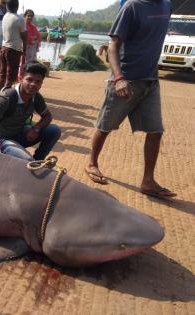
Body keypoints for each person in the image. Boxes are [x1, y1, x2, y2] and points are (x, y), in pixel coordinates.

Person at [86, 0, 176, 198]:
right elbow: (113, 46)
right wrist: (118, 78)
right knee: (105, 126)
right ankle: (92, 163)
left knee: (156, 131)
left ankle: (148, 181)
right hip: (125, 80)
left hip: (151, 81)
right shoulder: (132, 7)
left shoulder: (167, 6)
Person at [0, 62, 61, 161]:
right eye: (29, 79)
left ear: (41, 83)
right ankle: (31, 164)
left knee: (54, 130)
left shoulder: (36, 97)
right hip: (2, 139)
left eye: (38, 81)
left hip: (20, 134)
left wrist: (36, 128)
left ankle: (38, 161)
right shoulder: (7, 97)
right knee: (27, 160)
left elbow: (47, 116)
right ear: (20, 78)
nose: (33, 84)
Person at [0, 0, 27, 94]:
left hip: (4, 48)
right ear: (17, 6)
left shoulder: (5, 16)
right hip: (13, 50)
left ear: (7, 7)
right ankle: (6, 99)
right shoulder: (19, 19)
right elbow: (25, 36)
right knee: (10, 77)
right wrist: (24, 51)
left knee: (2, 75)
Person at [18, 9, 41, 80]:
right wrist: (31, 39)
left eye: (31, 16)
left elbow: (38, 36)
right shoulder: (22, 26)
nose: (30, 18)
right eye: (28, 16)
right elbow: (23, 36)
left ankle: (29, 76)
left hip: (32, 49)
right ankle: (21, 77)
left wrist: (34, 40)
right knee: (22, 62)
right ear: (24, 16)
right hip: (23, 47)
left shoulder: (33, 27)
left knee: (31, 63)